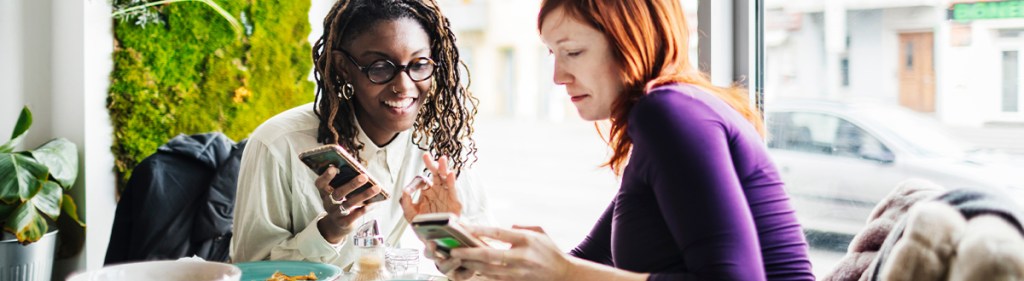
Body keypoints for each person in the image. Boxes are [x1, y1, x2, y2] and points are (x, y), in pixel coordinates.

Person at [429, 0, 815, 280]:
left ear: (630, 41)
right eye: (552, 54)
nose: (558, 76)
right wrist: (472, 252)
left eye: (573, 52)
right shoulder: (665, 119)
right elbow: (586, 262)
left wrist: (563, 271)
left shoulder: (669, 113)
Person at [230, 0, 493, 269]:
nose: (403, 86)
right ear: (343, 67)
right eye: (380, 68)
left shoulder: (437, 145)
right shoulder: (277, 143)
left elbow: (479, 270)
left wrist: (445, 236)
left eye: (418, 65)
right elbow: (248, 270)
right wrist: (329, 231)